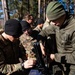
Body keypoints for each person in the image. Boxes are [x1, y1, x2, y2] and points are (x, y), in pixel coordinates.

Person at [38, 1, 75, 75]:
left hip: (72, 67)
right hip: (61, 65)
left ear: (62, 15)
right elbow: (43, 32)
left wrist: (55, 57)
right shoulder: (57, 24)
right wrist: (40, 43)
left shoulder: (73, 28)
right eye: (51, 21)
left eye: (54, 20)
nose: (53, 23)